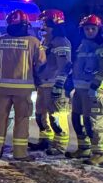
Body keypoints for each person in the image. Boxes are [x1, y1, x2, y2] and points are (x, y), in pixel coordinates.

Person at [0, 9, 45, 161]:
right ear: (26, 25)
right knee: (21, 120)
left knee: (0, 119)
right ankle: (20, 154)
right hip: (23, 90)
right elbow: (41, 63)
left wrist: (5, 70)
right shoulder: (34, 42)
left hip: (2, 88)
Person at [67, 14, 103, 165]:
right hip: (79, 90)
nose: (90, 31)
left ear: (99, 29)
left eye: (93, 28)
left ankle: (99, 153)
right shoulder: (82, 46)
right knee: (77, 119)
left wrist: (95, 86)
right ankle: (83, 148)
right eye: (87, 29)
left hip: (92, 91)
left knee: (93, 121)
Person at [31, 9, 72, 154]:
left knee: (56, 116)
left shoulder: (61, 42)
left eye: (45, 23)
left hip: (54, 85)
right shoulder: (45, 41)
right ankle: (45, 141)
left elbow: (65, 65)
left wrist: (59, 85)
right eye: (41, 23)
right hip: (43, 84)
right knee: (40, 115)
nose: (42, 26)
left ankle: (59, 146)